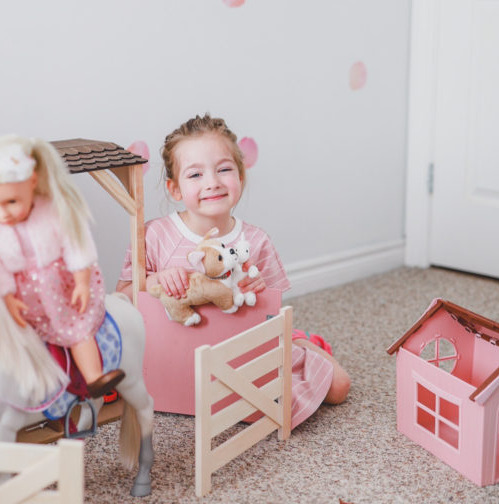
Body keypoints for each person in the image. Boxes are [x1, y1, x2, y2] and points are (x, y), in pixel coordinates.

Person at [116, 113, 350, 426]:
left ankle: (303, 342)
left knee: (338, 388)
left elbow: (270, 310)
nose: (212, 182)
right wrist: (155, 279)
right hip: (173, 356)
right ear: (175, 189)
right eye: (195, 174)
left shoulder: (255, 240)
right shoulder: (154, 235)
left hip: (241, 356)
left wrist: (257, 288)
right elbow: (121, 298)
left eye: (224, 169)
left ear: (240, 176)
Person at [0, 134, 124, 399]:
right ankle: (15, 388)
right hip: (21, 294)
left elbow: (75, 243)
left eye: (12, 202)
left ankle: (94, 377)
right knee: (9, 334)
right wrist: (6, 296)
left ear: (32, 182)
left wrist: (82, 280)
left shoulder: (53, 211)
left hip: (61, 288)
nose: (2, 213)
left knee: (75, 329)